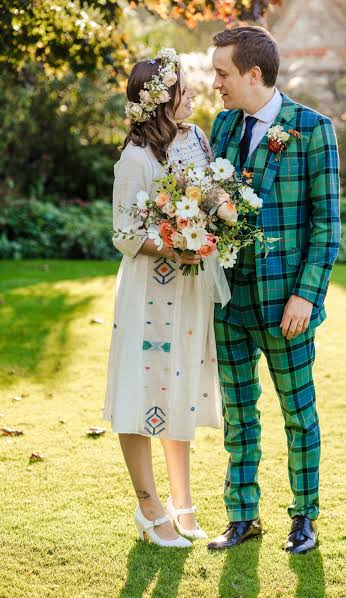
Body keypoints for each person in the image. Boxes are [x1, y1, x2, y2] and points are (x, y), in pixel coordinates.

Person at [207, 26, 341, 553]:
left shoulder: (313, 129)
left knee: (298, 415)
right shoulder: (222, 125)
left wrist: (306, 295)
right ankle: (242, 517)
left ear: (254, 73)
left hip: (288, 305)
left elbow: (327, 225)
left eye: (222, 73)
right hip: (228, 303)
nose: (215, 83)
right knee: (239, 415)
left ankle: (304, 517)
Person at [103, 49, 223, 547]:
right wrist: (177, 244)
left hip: (190, 290)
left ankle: (183, 504)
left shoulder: (196, 138)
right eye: (183, 90)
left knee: (180, 390)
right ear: (159, 100)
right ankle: (148, 506)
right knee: (142, 389)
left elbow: (208, 193)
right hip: (149, 293)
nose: (193, 95)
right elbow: (125, 234)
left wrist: (221, 213)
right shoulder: (134, 160)